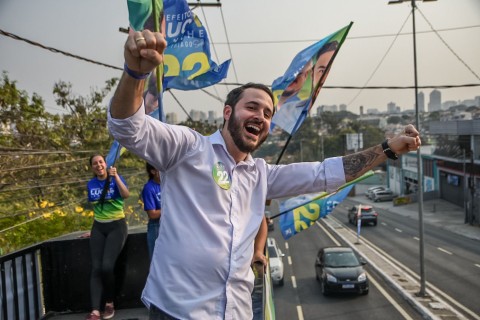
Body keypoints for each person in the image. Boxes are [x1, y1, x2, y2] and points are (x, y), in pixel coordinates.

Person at [108, 30, 421, 319]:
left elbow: (326, 173)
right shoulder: (188, 148)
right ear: (228, 112)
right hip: (177, 313)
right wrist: (136, 73)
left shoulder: (261, 175)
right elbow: (127, 126)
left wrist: (388, 149)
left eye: (268, 113)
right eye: (253, 107)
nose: (260, 116)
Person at [85, 154, 130, 320]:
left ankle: (109, 303)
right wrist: (93, 230)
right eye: (95, 163)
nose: (98, 165)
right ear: (92, 168)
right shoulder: (91, 184)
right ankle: (95, 311)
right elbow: (98, 208)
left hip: (117, 226)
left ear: (105, 164)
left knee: (106, 267)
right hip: (98, 227)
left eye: (100, 162)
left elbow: (126, 195)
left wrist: (116, 176)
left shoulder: (115, 179)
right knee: (96, 268)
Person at [142, 162, 162, 259]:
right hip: (156, 227)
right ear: (153, 171)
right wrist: (169, 208)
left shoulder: (169, 184)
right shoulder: (149, 188)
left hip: (172, 224)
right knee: (156, 260)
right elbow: (152, 214)